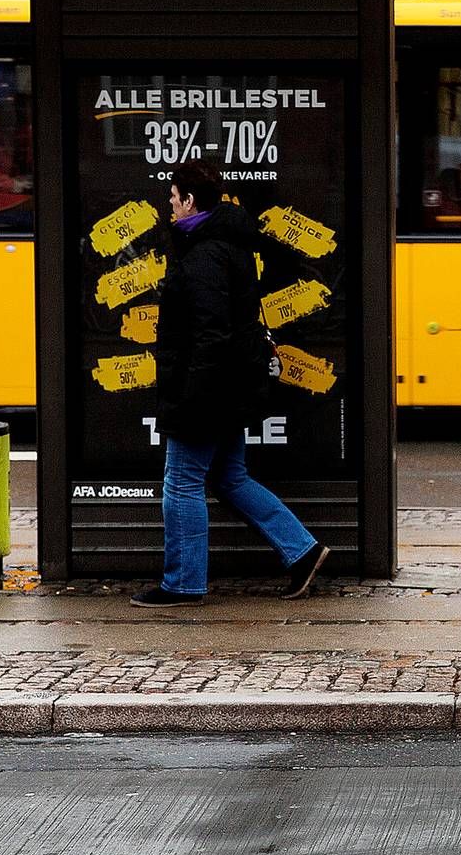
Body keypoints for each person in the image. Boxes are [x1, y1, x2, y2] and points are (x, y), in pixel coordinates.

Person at [131, 158, 330, 607]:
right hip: (230, 387)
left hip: (207, 392)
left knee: (181, 483)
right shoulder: (226, 244)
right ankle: (303, 550)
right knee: (229, 477)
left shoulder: (203, 255)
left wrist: (190, 401)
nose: (169, 206)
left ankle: (182, 583)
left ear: (189, 201)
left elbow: (210, 335)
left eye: (173, 198)